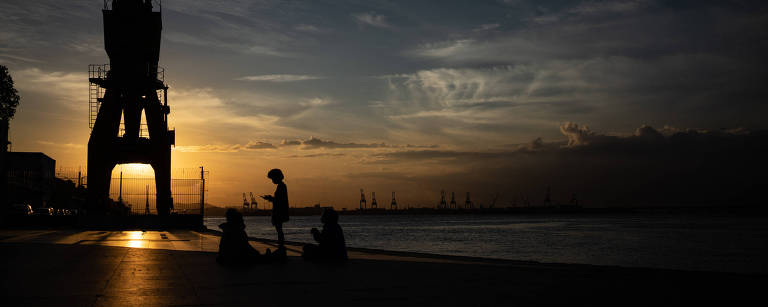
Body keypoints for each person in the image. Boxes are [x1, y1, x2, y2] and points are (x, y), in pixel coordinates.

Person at [261, 169, 289, 251]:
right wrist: (271, 198)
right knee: (279, 230)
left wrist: (270, 198)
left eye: (272, 179)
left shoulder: (281, 187)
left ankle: (281, 246)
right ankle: (281, 246)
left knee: (279, 230)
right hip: (280, 211)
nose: (272, 181)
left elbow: (279, 200)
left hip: (279, 211)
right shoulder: (282, 186)